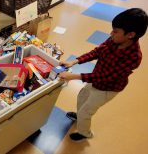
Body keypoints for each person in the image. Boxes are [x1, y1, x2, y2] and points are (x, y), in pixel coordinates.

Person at [58, 8, 148, 141]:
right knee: (82, 96)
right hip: (95, 80)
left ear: (130, 35)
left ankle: (85, 133)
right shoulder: (115, 39)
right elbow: (97, 52)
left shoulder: (134, 57)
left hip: (107, 89)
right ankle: (79, 116)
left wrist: (75, 76)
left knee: (86, 111)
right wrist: (75, 61)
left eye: (116, 31)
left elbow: (106, 76)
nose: (111, 33)